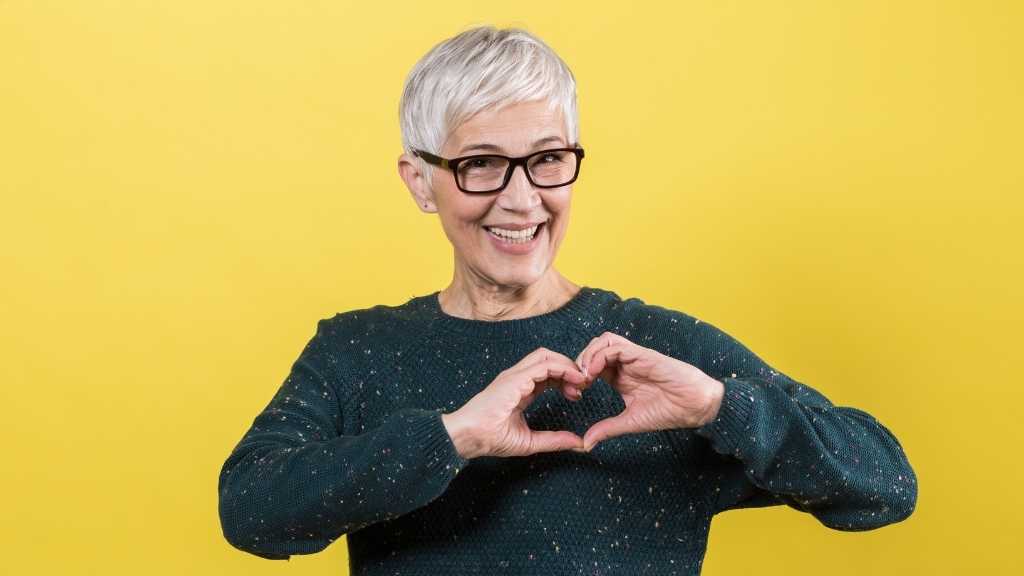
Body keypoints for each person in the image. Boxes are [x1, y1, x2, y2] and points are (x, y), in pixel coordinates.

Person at [217, 25, 917, 575]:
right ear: (420, 180)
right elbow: (251, 509)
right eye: (480, 164)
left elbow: (884, 483)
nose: (522, 199)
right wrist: (452, 436)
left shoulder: (660, 351)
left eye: (548, 159)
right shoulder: (356, 350)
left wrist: (718, 406)